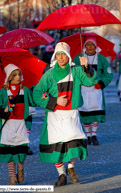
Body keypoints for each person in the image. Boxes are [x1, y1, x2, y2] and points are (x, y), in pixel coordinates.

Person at [33, 42, 98, 186]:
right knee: (57, 147)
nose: (61, 57)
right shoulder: (49, 74)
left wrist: (86, 67)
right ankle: (61, 174)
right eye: (58, 54)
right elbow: (37, 93)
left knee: (74, 143)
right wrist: (54, 101)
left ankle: (70, 167)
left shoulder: (76, 70)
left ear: (68, 56)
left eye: (64, 54)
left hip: (72, 114)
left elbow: (90, 81)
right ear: (55, 56)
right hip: (55, 116)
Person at [0, 64, 34, 185]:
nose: (18, 77)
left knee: (21, 150)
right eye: (14, 75)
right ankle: (12, 176)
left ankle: (20, 169)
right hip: (8, 124)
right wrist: (3, 111)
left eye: (19, 74)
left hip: (22, 124)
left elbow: (34, 101)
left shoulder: (25, 90)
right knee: (9, 151)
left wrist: (46, 95)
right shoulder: (2, 92)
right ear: (9, 77)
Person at [73, 37, 113, 145]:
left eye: (92, 45)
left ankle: (94, 135)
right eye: (88, 45)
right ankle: (88, 135)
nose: (90, 47)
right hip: (83, 90)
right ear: (84, 46)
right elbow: (72, 72)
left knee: (95, 111)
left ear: (96, 47)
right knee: (85, 112)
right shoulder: (78, 58)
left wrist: (101, 84)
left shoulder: (101, 59)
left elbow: (108, 74)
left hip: (96, 90)